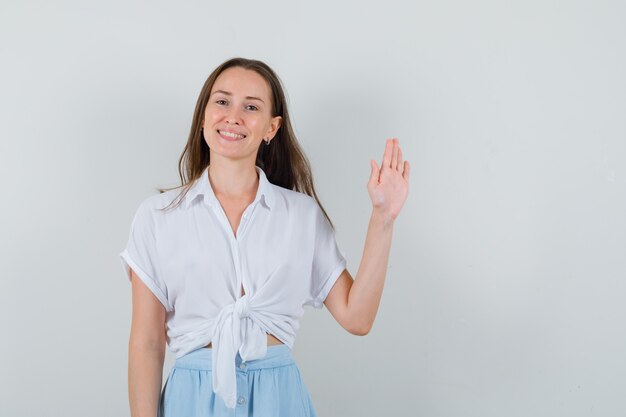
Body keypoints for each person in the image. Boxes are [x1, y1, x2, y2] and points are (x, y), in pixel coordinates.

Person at [120, 57, 409, 417]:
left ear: (271, 127)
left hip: (279, 399)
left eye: (251, 107)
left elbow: (357, 317)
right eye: (222, 101)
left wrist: (383, 218)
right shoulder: (158, 216)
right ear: (204, 116)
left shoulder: (301, 215)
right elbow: (147, 344)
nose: (233, 116)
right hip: (192, 400)